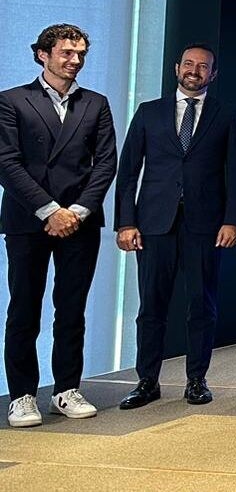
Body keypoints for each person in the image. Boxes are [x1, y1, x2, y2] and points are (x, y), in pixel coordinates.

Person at [115, 44, 236, 409]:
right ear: (177, 68)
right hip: (154, 223)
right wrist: (125, 222)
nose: (195, 70)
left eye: (203, 66)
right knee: (151, 306)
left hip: (206, 225)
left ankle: (197, 380)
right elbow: (127, 173)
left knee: (202, 305)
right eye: (189, 64)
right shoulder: (148, 112)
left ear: (213, 74)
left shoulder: (226, 114)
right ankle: (146, 381)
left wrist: (232, 220)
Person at [1, 24, 117, 428]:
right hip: (28, 220)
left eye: (81, 54)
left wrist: (77, 211)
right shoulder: (12, 101)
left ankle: (66, 389)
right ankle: (23, 395)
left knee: (71, 309)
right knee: (24, 310)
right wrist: (50, 210)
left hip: (80, 223)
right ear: (42, 55)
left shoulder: (96, 103)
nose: (75, 61)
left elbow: (105, 163)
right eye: (67, 53)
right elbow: (7, 164)